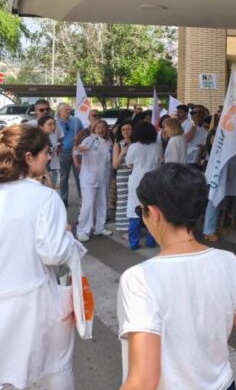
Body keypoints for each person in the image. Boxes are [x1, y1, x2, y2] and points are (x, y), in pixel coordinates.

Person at [117, 164, 236, 390]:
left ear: (155, 213)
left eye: (141, 211)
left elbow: (144, 379)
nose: (143, 217)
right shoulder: (229, 262)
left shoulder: (139, 278)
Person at [0, 125, 84, 390]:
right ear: (29, 157)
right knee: (52, 368)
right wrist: (67, 236)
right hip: (36, 300)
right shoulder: (45, 197)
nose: (49, 157)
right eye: (46, 152)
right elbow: (53, 253)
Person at [125, 121, 163, 250]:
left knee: (134, 210)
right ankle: (151, 241)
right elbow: (160, 161)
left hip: (136, 179)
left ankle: (134, 243)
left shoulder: (134, 147)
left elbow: (129, 163)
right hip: (153, 179)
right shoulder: (157, 146)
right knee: (152, 210)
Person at [74, 118, 113, 242]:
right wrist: (81, 149)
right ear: (94, 129)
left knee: (102, 204)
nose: (101, 130)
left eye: (104, 128)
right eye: (98, 127)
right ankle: (82, 230)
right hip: (88, 178)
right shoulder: (89, 139)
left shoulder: (108, 142)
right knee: (88, 204)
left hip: (103, 177)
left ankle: (100, 227)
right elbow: (76, 151)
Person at [56, 102, 83, 207]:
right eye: (66, 109)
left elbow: (84, 132)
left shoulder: (76, 121)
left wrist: (79, 137)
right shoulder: (56, 123)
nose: (69, 111)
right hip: (63, 153)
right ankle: (64, 199)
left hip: (76, 152)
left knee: (80, 176)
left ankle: (82, 197)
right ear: (60, 111)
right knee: (63, 177)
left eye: (69, 109)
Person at [112, 121, 134, 240]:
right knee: (123, 201)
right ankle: (123, 228)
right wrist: (123, 151)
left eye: (128, 129)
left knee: (135, 201)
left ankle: (134, 227)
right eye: (123, 129)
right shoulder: (118, 144)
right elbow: (115, 165)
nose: (126, 131)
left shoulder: (137, 144)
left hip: (135, 175)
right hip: (122, 176)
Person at [38, 115, 60, 188]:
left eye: (54, 124)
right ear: (41, 127)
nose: (53, 126)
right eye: (50, 124)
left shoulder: (47, 138)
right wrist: (46, 175)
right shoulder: (39, 140)